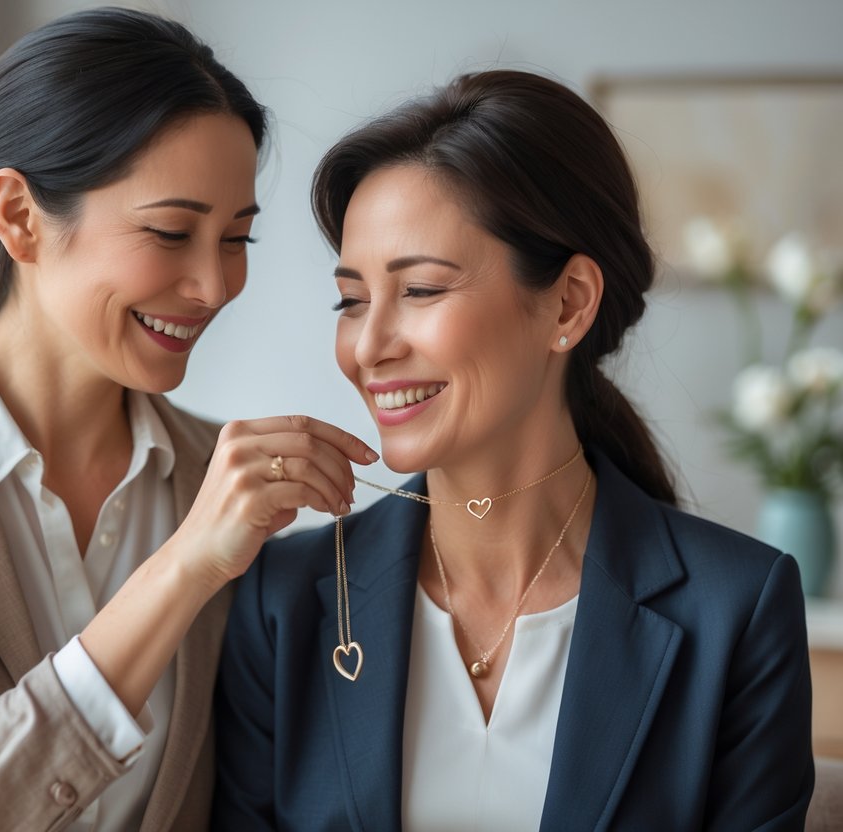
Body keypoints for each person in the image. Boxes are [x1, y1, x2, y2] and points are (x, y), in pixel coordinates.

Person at [0, 8, 377, 830]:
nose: (213, 285)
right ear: (19, 216)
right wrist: (182, 568)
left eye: (236, 240)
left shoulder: (213, 477)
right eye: (169, 231)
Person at [213, 69, 815, 831]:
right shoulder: (283, 601)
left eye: (421, 290)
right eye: (351, 299)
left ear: (567, 304)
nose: (367, 346)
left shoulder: (736, 610)